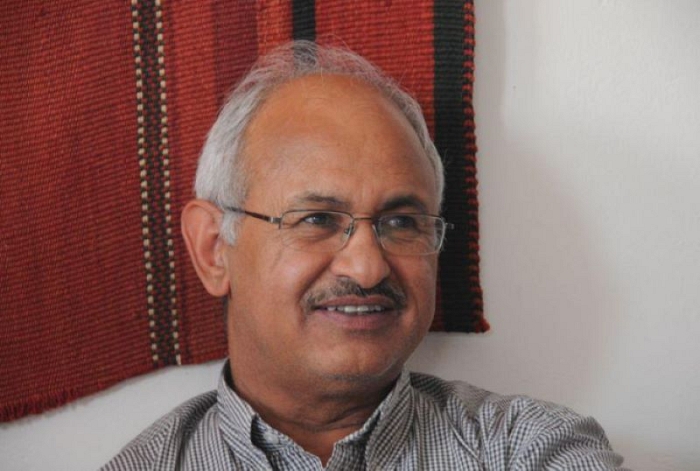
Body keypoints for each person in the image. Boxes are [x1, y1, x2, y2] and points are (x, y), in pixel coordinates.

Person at [101, 41, 627, 470]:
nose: (368, 267)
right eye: (317, 219)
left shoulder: (528, 449)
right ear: (214, 249)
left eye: (401, 223)